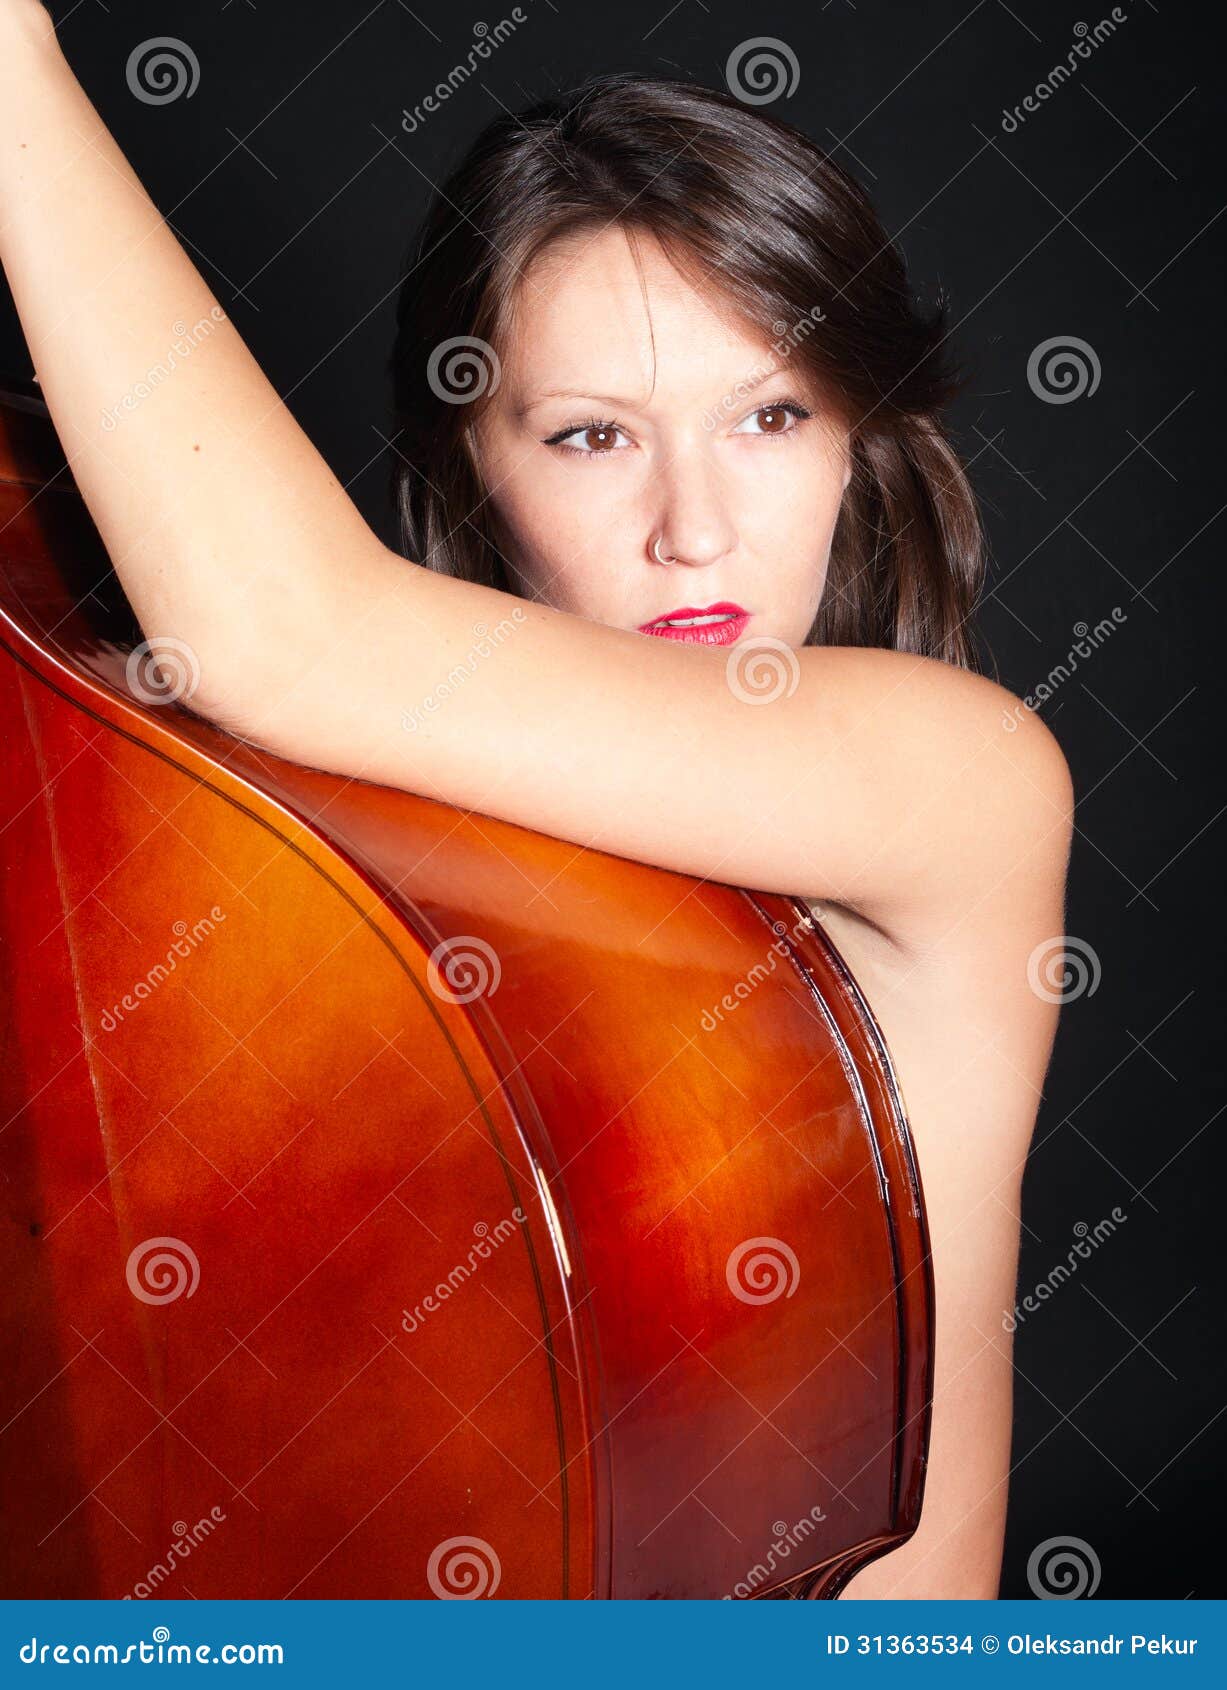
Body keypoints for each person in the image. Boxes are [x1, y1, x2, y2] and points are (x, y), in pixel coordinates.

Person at [0, 7, 1074, 1599]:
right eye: (590, 436)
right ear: (475, 469)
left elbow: (289, 635)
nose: (693, 526)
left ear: (859, 441)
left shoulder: (964, 777)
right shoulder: (355, 885)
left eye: (771, 415)